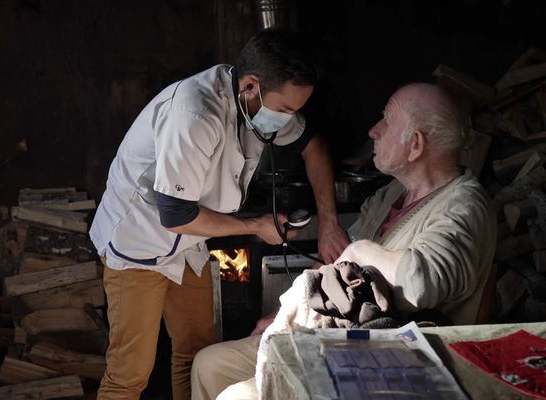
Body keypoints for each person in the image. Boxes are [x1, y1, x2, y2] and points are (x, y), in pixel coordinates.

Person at [191, 82, 497, 399]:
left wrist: (360, 251)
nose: (374, 131)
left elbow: (422, 283)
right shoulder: (394, 193)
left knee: (237, 396)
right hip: (333, 334)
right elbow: (337, 261)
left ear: (415, 145)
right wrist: (288, 310)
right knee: (209, 364)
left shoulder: (463, 208)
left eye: (387, 121)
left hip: (394, 358)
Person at [89, 28, 350, 400]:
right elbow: (175, 213)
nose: (289, 118)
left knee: (197, 353)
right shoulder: (195, 113)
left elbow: (313, 146)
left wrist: (329, 222)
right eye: (286, 109)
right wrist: (256, 226)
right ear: (249, 86)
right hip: (140, 242)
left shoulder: (257, 101)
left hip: (188, 243)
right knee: (130, 374)